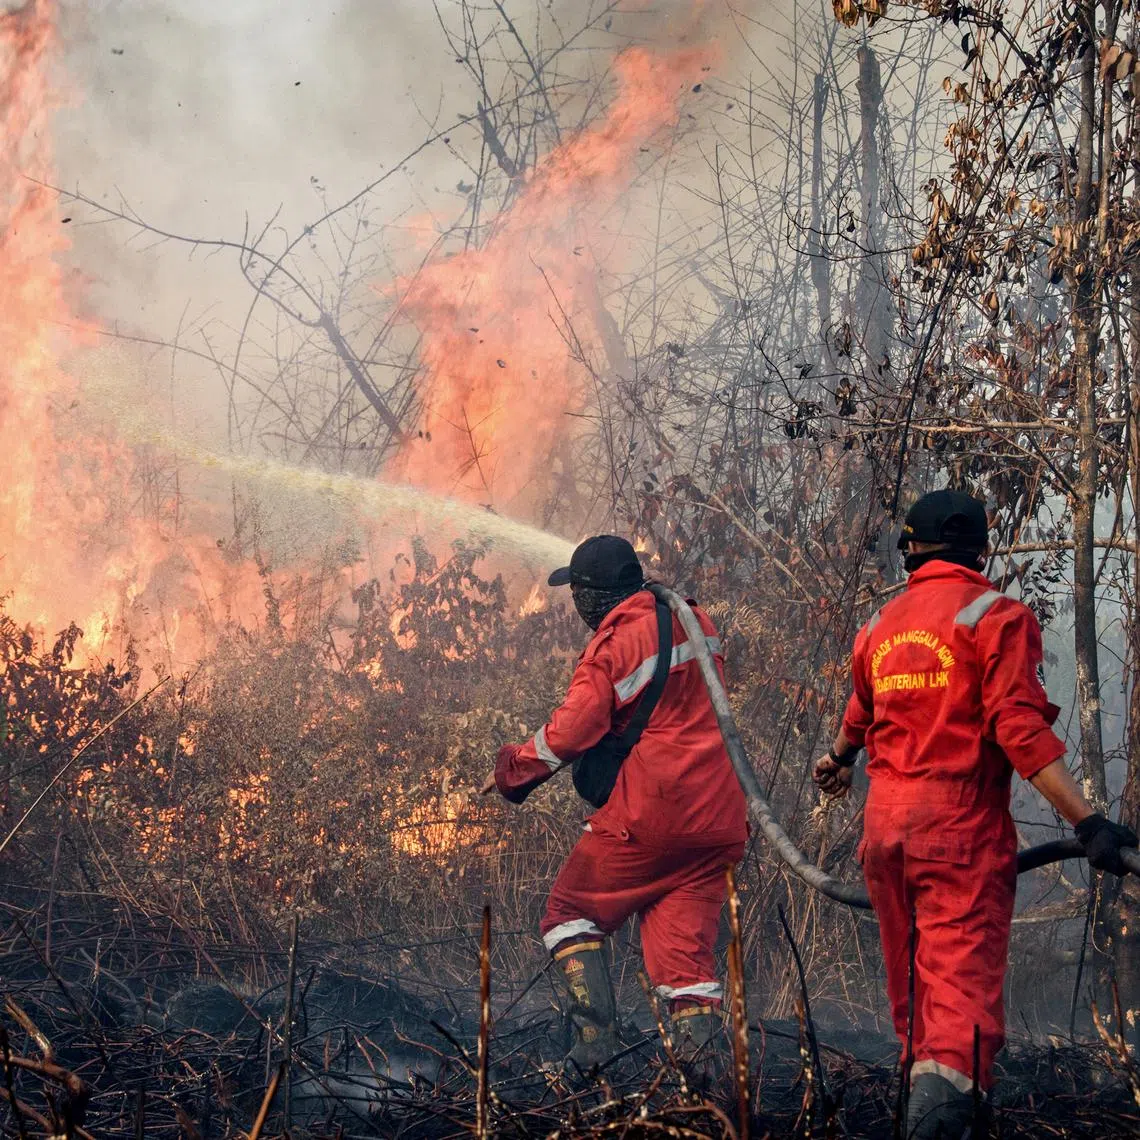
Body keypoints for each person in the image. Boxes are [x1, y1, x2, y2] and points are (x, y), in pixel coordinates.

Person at [814, 489, 1138, 1139]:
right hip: (958, 834)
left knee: (917, 1002)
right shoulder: (995, 616)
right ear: (977, 547)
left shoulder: (880, 626)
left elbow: (860, 713)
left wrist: (839, 760)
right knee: (958, 1012)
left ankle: (928, 1112)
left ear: (911, 549)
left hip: (885, 836)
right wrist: (1088, 823)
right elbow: (1020, 732)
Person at [480, 535, 747, 1073]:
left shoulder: (617, 644)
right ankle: (704, 1086)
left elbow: (572, 730)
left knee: (569, 915)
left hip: (651, 816)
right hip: (717, 821)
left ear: (591, 597)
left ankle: (593, 1047)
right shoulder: (694, 621)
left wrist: (513, 771)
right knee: (685, 965)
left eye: (576, 592)